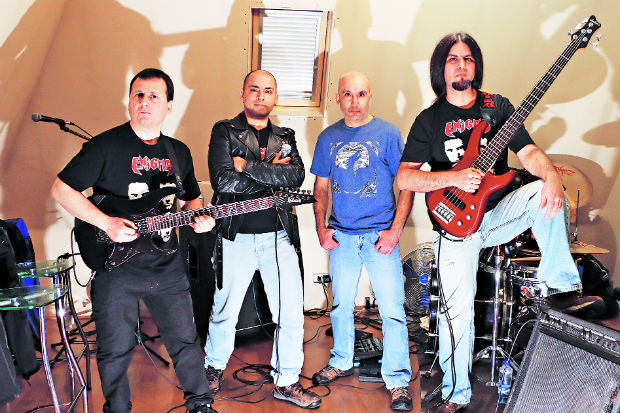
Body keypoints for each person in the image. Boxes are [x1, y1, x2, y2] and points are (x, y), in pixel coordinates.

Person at [396, 33, 582, 413]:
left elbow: (528, 152)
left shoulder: (497, 107)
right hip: (454, 223)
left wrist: (551, 176)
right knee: (456, 313)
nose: (461, 65)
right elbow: (405, 177)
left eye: (468, 58)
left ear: (476, 66)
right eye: (453, 59)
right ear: (441, 68)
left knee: (544, 192)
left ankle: (559, 288)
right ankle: (456, 394)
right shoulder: (429, 120)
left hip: (497, 214)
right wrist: (453, 177)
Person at [50, 68, 217, 413]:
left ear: (168, 105)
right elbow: (61, 189)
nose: (144, 102)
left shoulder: (178, 152)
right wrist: (106, 223)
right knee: (114, 349)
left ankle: (200, 404)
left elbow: (191, 200)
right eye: (138, 94)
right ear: (129, 101)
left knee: (186, 343)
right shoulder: (105, 146)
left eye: (154, 96)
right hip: (117, 268)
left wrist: (199, 220)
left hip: (167, 267)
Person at [204, 69, 321, 409]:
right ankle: (212, 368)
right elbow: (223, 181)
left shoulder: (285, 136)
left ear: (275, 97)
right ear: (242, 94)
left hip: (279, 237)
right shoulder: (224, 131)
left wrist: (247, 166)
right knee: (224, 310)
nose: (260, 95)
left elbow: (296, 176)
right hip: (235, 235)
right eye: (254, 89)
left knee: (291, 314)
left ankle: (287, 381)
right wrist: (272, 173)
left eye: (268, 90)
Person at [310, 71, 414, 411]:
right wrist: (321, 228)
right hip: (342, 236)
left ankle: (397, 380)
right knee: (341, 305)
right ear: (338, 98)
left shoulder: (388, 134)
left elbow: (406, 183)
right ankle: (341, 360)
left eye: (361, 94)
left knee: (392, 311)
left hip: (380, 235)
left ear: (370, 97)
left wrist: (395, 230)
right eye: (347, 94)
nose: (354, 101)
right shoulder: (328, 138)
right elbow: (321, 187)